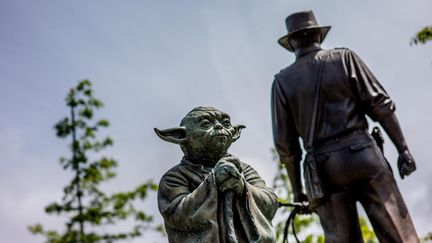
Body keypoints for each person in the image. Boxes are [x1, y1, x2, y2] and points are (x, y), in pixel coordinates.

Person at [271, 10, 419, 242]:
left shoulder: (282, 82)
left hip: (324, 172)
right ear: (318, 36)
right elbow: (381, 105)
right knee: (400, 235)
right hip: (363, 156)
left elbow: (286, 147)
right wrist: (403, 149)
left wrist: (298, 191)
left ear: (292, 42)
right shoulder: (344, 58)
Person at [155, 107, 278, 243]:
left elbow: (270, 201)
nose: (219, 126)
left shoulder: (243, 170)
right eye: (206, 124)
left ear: (235, 133)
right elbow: (177, 215)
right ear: (182, 137)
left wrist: (243, 188)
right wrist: (213, 181)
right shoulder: (175, 177)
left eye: (226, 123)